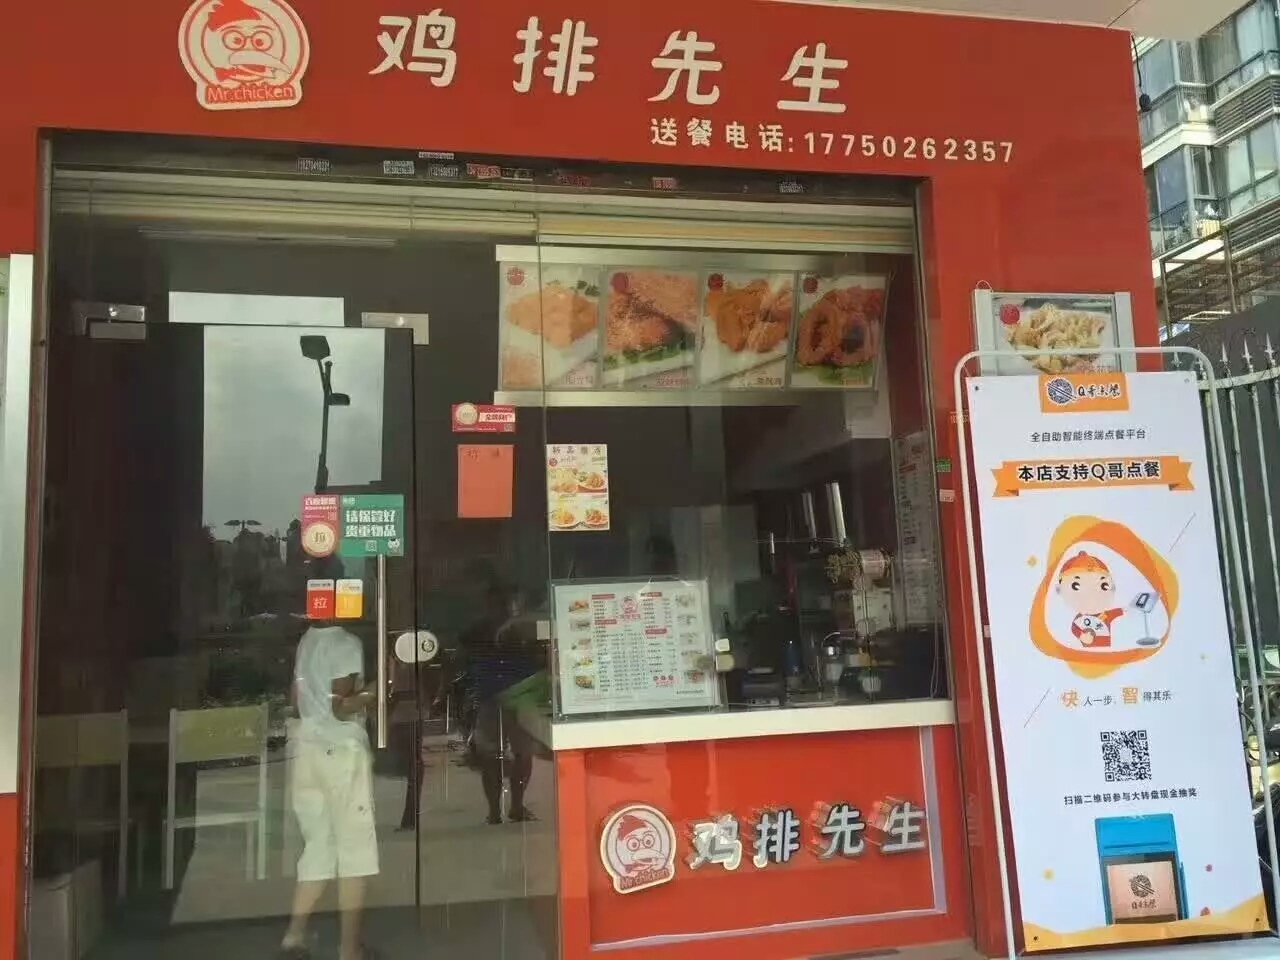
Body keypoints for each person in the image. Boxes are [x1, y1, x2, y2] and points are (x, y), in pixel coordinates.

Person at [280, 615, 380, 960]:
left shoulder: (308, 640)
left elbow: (296, 697)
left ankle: (294, 936)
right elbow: (341, 707)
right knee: (355, 851)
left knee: (318, 845)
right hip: (340, 753)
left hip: (307, 750)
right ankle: (349, 950)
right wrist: (378, 686)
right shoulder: (345, 643)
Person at [459, 567, 540, 824]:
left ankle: (497, 811)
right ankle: (512, 806)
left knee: (494, 755)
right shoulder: (519, 628)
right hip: (515, 696)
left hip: (494, 695)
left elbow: (463, 655)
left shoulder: (480, 629)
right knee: (518, 753)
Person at [1057, 550, 1125, 648]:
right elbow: (1075, 628)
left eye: (1104, 585)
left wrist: (1126, 610)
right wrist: (1081, 635)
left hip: (1105, 650)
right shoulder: (1080, 618)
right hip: (1087, 651)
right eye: (1076, 586)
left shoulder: (1104, 615)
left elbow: (1117, 612)